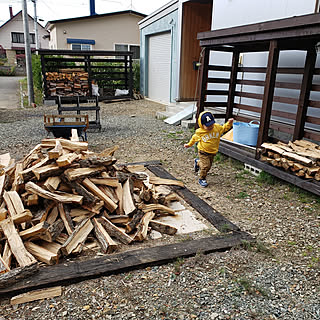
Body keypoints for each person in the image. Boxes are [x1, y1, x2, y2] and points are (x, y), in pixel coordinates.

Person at [184, 111, 234, 187]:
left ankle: (197, 162)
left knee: (208, 166)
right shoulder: (200, 132)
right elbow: (194, 139)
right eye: (207, 126)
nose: (210, 127)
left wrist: (229, 123)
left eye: (212, 124)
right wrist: (189, 144)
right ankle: (202, 178)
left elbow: (224, 128)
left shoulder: (217, 128)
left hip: (213, 152)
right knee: (205, 166)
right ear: (202, 125)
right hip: (203, 151)